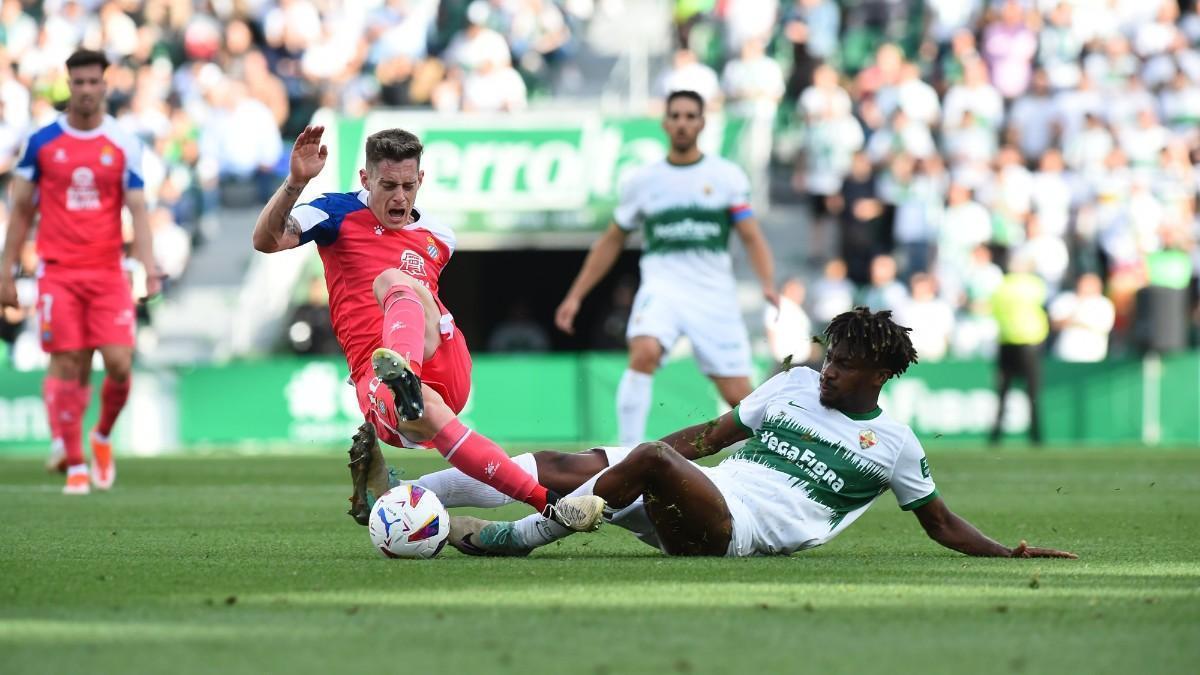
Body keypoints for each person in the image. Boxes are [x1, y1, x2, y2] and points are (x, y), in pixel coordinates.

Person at [354, 307, 1074, 561]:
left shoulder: (895, 442)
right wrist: (629, 459)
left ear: (878, 373)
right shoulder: (795, 383)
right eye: (827, 356)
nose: (827, 373)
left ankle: (515, 539)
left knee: (649, 462)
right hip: (698, 487)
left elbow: (940, 522)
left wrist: (1006, 549)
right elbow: (710, 434)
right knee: (561, 457)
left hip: (733, 529)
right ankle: (406, 498)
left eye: (844, 366)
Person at [251, 125, 602, 532]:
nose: (399, 197)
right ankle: (552, 505)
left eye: (407, 185)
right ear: (365, 180)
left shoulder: (440, 236)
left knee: (397, 283)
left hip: (442, 359)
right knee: (396, 292)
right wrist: (296, 182)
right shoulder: (335, 211)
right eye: (387, 185)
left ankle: (407, 378)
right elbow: (266, 240)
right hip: (377, 378)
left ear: (421, 180)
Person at [554, 90, 777, 447]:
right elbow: (611, 240)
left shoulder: (726, 176)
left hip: (712, 294)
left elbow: (751, 236)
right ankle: (627, 454)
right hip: (662, 288)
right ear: (665, 123)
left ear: (702, 123)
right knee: (643, 352)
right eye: (676, 116)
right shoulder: (643, 181)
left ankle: (777, 453)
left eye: (691, 116)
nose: (683, 123)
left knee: (738, 392)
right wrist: (575, 296)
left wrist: (767, 281)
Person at [0, 49, 161, 495]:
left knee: (119, 364)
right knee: (68, 362)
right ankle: (74, 464)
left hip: (109, 271)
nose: (87, 90)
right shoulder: (42, 142)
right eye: (79, 83)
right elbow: (18, 212)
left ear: (105, 86)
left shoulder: (124, 143)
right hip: (59, 272)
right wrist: (6, 271)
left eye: (94, 82)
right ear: (68, 86)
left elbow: (138, 210)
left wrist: (149, 266)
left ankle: (102, 435)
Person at [989, 255, 1048, 446]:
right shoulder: (1035, 284)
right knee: (1032, 392)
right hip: (1030, 342)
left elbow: (994, 310)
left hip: (1006, 341)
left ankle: (996, 435)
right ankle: (1036, 435)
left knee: (1003, 392)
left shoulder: (1001, 286)